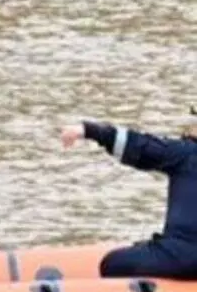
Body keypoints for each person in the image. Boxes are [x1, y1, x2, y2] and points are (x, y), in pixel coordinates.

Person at [60, 119, 197, 279]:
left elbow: (141, 147)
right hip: (181, 253)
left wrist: (90, 131)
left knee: (111, 264)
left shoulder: (186, 153)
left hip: (181, 255)